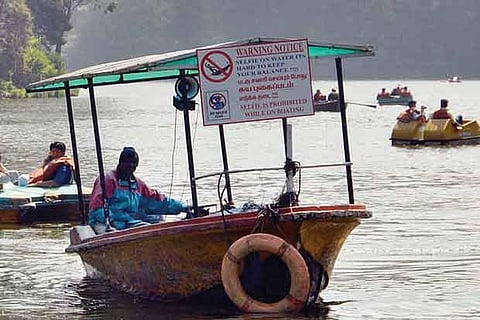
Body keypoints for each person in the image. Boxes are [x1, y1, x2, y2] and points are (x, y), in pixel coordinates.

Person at [88, 147, 192, 232]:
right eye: (128, 163)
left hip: (128, 222)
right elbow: (97, 209)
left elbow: (157, 200)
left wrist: (182, 207)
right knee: (113, 232)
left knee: (156, 223)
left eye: (134, 164)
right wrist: (114, 221)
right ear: (120, 162)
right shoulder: (108, 180)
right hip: (103, 221)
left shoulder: (136, 184)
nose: (131, 166)